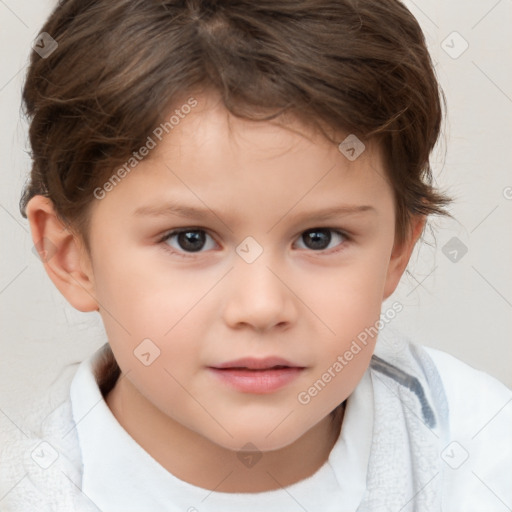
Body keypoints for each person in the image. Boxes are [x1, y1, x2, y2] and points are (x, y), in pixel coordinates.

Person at [1, 0, 510, 511]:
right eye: (190, 239)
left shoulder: (483, 456)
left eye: (319, 238)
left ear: (398, 250)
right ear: (70, 256)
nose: (262, 307)